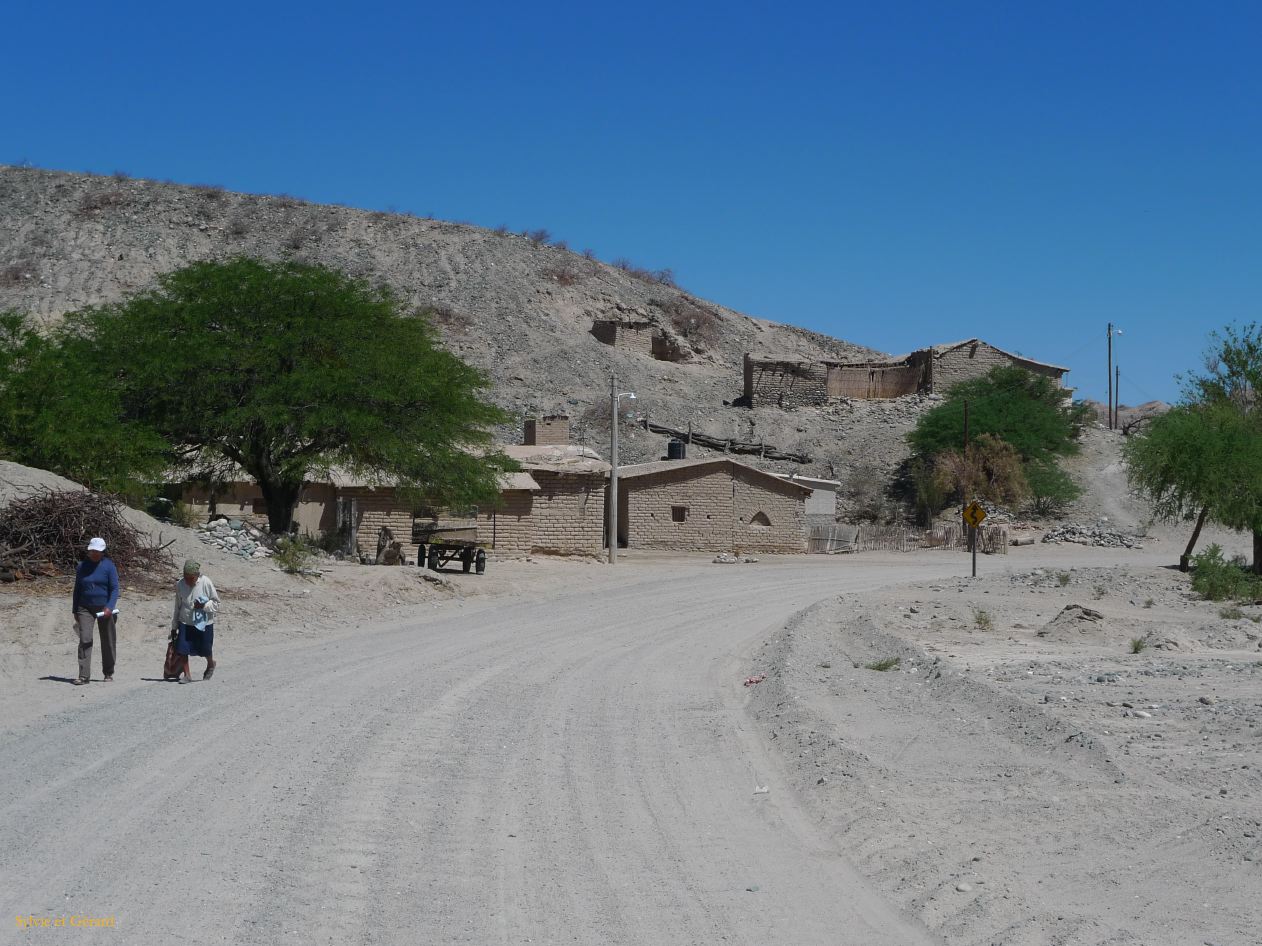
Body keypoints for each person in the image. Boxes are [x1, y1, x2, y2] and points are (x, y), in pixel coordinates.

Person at [71, 537, 119, 685]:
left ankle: (108, 672)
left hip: (104, 608)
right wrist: (75, 610)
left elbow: (115, 589)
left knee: (108, 641)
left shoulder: (109, 566)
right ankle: (84, 676)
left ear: (102, 551)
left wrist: (109, 607)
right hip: (84, 607)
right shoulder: (82, 566)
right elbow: (77, 589)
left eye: (97, 551)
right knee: (85, 639)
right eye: (92, 550)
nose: (94, 553)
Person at [171, 560, 219, 683]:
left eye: (190, 578)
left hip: (203, 623)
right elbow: (177, 606)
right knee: (183, 649)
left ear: (197, 576)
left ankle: (210, 664)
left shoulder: (206, 582)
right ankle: (187, 675)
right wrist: (174, 626)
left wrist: (203, 606)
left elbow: (216, 603)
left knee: (205, 649)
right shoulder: (180, 585)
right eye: (185, 578)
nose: (188, 581)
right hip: (185, 621)